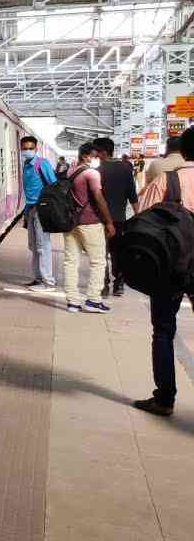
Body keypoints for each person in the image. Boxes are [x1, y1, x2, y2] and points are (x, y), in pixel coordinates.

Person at [133, 126, 194, 416]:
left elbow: (142, 221)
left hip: (172, 266)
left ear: (182, 151)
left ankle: (164, 399)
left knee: (164, 331)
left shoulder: (166, 181)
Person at [62, 142, 116, 314]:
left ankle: (72, 302)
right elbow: (99, 198)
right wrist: (108, 222)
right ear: (85, 156)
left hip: (71, 223)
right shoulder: (91, 173)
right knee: (98, 262)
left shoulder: (70, 171)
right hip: (90, 223)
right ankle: (93, 300)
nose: (98, 160)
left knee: (71, 261)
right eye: (95, 156)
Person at [93, 137, 138, 297]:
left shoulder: (96, 171)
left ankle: (103, 286)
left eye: (96, 152)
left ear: (103, 152)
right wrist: (137, 216)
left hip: (99, 220)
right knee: (118, 252)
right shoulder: (126, 168)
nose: (94, 155)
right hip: (119, 219)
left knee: (101, 254)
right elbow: (132, 195)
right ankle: (119, 284)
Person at [20, 136, 58, 290]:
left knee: (43, 246)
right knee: (34, 246)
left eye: (30, 148)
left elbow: (53, 184)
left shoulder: (42, 164)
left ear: (36, 149)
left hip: (41, 209)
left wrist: (46, 204)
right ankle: (37, 278)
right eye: (25, 148)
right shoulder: (26, 165)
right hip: (30, 209)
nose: (27, 151)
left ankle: (48, 282)